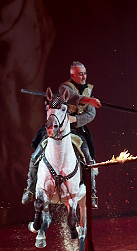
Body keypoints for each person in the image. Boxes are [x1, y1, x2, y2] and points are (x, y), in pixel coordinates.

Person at [21, 61, 102, 207]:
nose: (83, 77)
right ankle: (30, 190)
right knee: (35, 156)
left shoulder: (88, 91)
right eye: (80, 74)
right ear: (72, 75)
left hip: (76, 129)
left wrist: (76, 119)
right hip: (58, 128)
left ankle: (92, 193)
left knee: (89, 159)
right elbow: (71, 97)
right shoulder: (65, 87)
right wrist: (88, 100)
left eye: (84, 73)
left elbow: (91, 114)